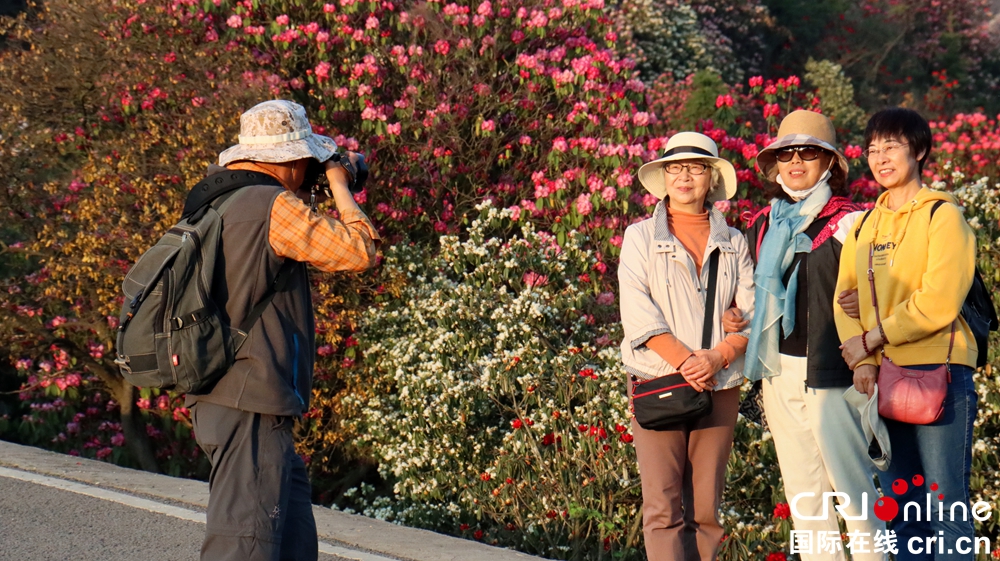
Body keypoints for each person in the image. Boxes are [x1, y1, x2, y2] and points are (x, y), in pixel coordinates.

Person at [185, 100, 380, 561]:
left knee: (290, 543)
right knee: (245, 545)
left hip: (232, 395)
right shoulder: (269, 205)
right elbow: (361, 251)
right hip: (249, 397)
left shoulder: (216, 198)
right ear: (292, 158)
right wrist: (338, 182)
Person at [740, 110, 886, 561]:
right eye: (786, 153)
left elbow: (884, 290)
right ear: (775, 162)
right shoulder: (764, 224)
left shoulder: (853, 223)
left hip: (835, 372)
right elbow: (752, 299)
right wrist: (736, 316)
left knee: (855, 493)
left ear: (830, 164)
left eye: (809, 152)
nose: (796, 161)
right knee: (805, 495)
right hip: (778, 370)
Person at [835, 107, 978, 561]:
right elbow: (846, 299)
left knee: (944, 502)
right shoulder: (864, 225)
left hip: (941, 369)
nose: (880, 157)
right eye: (873, 149)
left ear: (918, 150)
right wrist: (863, 362)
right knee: (903, 506)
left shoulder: (941, 216)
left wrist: (874, 336)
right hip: (887, 376)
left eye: (892, 146)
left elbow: (938, 301)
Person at [619, 132, 754, 561]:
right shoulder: (640, 237)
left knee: (706, 509)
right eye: (675, 167)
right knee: (663, 506)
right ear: (662, 177)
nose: (684, 176)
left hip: (720, 381)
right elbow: (638, 311)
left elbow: (752, 309)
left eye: (695, 167)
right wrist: (686, 362)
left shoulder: (734, 241)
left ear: (711, 178)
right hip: (659, 380)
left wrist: (718, 355)